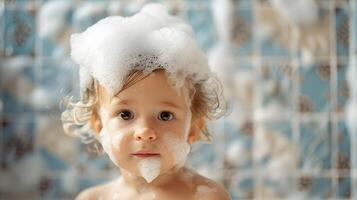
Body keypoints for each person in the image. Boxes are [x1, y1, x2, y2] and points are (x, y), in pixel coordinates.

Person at [61, 3, 230, 200]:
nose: (145, 132)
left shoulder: (206, 197)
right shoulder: (92, 198)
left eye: (165, 115)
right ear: (99, 127)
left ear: (192, 128)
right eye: (125, 114)